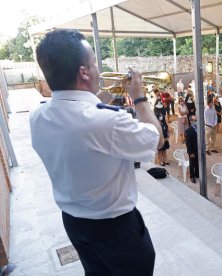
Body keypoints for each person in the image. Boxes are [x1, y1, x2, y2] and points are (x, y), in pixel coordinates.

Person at [30, 29, 163, 275]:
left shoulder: (37, 116)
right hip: (117, 230)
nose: (98, 71)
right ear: (83, 72)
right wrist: (139, 96)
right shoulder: (107, 122)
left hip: (74, 223)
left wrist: (114, 91)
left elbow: (82, 108)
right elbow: (157, 139)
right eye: (94, 63)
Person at [185, 115, 199, 183]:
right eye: (195, 120)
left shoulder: (198, 128)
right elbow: (188, 143)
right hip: (192, 150)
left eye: (196, 120)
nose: (196, 122)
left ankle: (197, 174)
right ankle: (192, 176)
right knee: (192, 164)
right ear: (191, 121)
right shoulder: (188, 130)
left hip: (198, 149)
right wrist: (191, 153)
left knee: (197, 162)